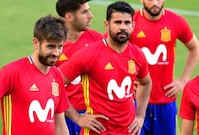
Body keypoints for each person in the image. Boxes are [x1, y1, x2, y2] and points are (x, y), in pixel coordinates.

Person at [58, 1, 152, 134]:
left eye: (127, 23)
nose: (123, 27)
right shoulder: (89, 54)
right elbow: (54, 82)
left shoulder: (137, 54)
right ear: (107, 25)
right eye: (117, 22)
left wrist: (140, 115)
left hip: (128, 131)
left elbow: (146, 82)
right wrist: (77, 118)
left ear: (133, 25)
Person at [0, 15, 69, 135]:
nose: (56, 53)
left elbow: (60, 126)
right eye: (51, 46)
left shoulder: (56, 75)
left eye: (60, 47)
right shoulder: (13, 71)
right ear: (36, 43)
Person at [129, 0, 199, 135]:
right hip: (136, 104)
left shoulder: (176, 21)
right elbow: (111, 51)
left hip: (165, 102)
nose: (155, 2)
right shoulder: (130, 23)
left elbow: (194, 48)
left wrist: (183, 80)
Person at [55, 0, 103, 134]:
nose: (91, 15)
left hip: (93, 116)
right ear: (69, 17)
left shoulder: (97, 39)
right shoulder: (53, 46)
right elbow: (49, 85)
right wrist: (76, 117)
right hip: (64, 116)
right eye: (84, 12)